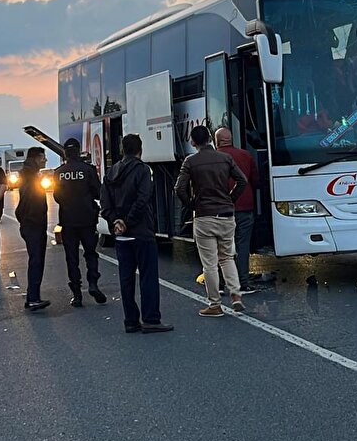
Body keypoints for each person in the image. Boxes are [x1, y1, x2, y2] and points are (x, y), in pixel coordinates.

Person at [102, 134, 172, 333]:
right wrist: (128, 221)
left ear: (123, 150)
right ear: (140, 149)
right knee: (148, 276)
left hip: (121, 235)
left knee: (126, 278)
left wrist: (115, 221)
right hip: (141, 231)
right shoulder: (143, 170)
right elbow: (143, 199)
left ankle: (130, 320)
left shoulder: (110, 172)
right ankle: (151, 319)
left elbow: (105, 203)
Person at [176, 125, 248, 317]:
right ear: (210, 139)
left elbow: (179, 189)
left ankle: (214, 304)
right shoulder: (225, 158)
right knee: (227, 257)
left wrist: (191, 205)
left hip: (204, 216)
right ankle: (236, 296)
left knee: (209, 263)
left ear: (192, 142)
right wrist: (230, 199)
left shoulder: (190, 161)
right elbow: (242, 181)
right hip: (226, 214)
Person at [53, 138, 106, 307]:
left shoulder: (59, 172)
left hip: (68, 220)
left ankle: (76, 294)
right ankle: (93, 283)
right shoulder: (88, 169)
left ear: (65, 154)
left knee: (72, 257)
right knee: (90, 253)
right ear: (79, 151)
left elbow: (57, 197)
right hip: (87, 218)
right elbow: (98, 193)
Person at [214, 127, 260, 294]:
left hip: (221, 208)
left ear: (216, 141)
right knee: (243, 245)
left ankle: (220, 284)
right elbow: (255, 180)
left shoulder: (214, 158)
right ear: (231, 139)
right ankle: (244, 282)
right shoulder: (245, 155)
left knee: (221, 246)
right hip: (245, 206)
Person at [16, 147, 51, 311]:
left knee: (36, 260)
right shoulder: (31, 177)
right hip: (33, 224)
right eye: (43, 157)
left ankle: (33, 296)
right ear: (36, 158)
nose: (45, 160)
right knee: (36, 260)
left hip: (31, 223)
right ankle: (33, 298)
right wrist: (34, 220)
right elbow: (28, 203)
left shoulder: (29, 174)